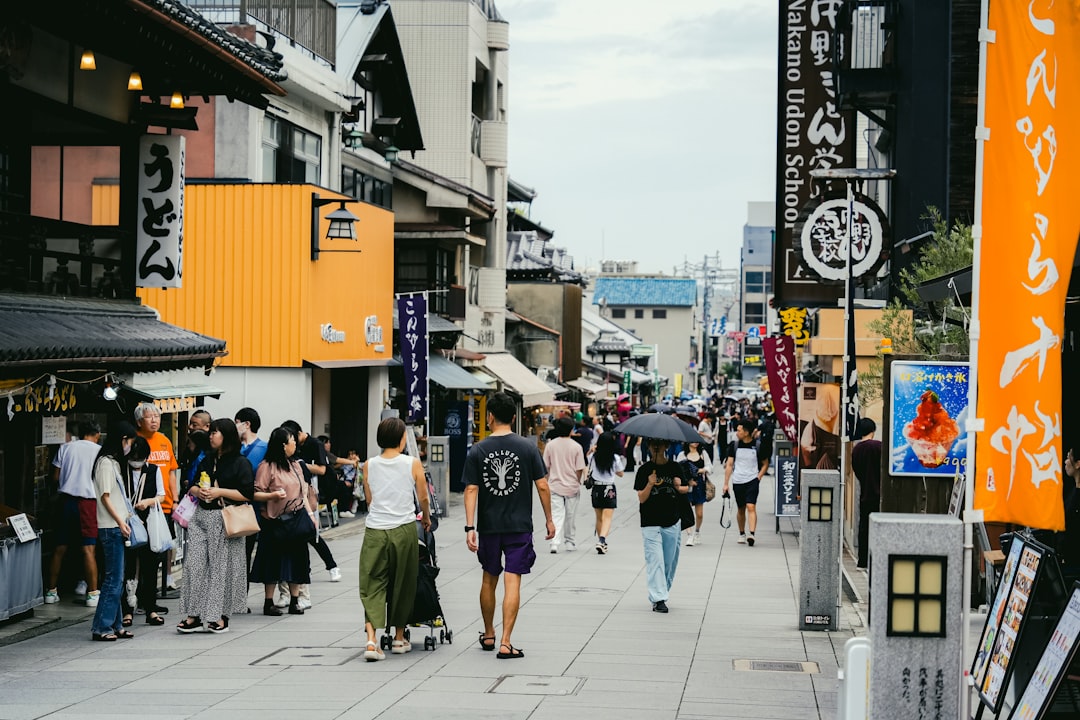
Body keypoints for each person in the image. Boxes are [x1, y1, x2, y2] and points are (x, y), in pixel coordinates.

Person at [463, 392, 555, 659]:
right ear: (514, 418)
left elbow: (471, 489)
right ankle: (506, 641)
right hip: (519, 526)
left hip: (489, 526)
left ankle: (489, 633)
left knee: (489, 578)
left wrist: (470, 527)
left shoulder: (478, 449)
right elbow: (542, 485)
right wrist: (549, 519)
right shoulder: (528, 448)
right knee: (512, 581)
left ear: (489, 417)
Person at [359, 418, 432, 661]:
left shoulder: (368, 465)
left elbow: (369, 500)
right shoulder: (412, 463)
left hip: (375, 531)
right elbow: (423, 497)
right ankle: (399, 638)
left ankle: (371, 641)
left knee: (372, 584)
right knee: (404, 582)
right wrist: (426, 519)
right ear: (402, 439)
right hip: (403, 529)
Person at [176, 419, 255, 634]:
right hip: (201, 516)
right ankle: (194, 615)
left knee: (221, 570)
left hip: (224, 518)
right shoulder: (207, 459)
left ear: (227, 436)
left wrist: (220, 492)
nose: (210, 436)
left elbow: (247, 494)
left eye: (215, 433)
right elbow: (190, 485)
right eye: (210, 433)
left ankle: (220, 616)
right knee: (194, 566)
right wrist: (197, 491)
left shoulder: (240, 462)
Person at [276, 420, 341, 610]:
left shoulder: (314, 445)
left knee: (313, 537)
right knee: (307, 541)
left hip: (314, 495)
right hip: (293, 504)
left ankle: (331, 567)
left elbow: (322, 468)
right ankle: (288, 592)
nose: (293, 444)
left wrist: (301, 465)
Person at [250, 426, 314, 617]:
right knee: (271, 562)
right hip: (273, 521)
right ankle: (268, 602)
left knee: (297, 561)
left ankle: (295, 600)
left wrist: (310, 514)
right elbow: (255, 492)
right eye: (291, 441)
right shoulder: (267, 466)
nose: (295, 443)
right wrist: (272, 495)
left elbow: (303, 492)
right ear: (283, 445)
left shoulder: (295, 465)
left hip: (295, 520)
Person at [44, 420, 102, 607]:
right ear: (97, 434)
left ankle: (51, 592)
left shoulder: (66, 447)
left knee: (59, 547)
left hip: (66, 501)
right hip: (88, 503)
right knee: (88, 549)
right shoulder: (100, 452)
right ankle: (92, 594)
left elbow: (55, 477)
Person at [89, 423, 138, 641]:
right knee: (113, 579)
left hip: (114, 525)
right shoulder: (106, 464)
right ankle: (102, 627)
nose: (130, 446)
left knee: (116, 579)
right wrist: (120, 521)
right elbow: (105, 497)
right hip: (111, 526)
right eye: (129, 441)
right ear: (123, 439)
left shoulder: (110, 463)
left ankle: (115, 625)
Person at [634, 438, 689, 613]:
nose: (656, 447)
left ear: (666, 446)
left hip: (672, 520)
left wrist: (679, 487)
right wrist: (650, 483)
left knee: (669, 562)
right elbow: (642, 498)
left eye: (660, 444)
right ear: (649, 447)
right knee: (655, 560)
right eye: (652, 444)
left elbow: (687, 488)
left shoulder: (675, 468)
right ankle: (658, 598)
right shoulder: (644, 470)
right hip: (650, 522)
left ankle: (662, 590)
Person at [120, 435, 167, 628]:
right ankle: (127, 610)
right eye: (134, 459)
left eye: (140, 459)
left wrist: (147, 502)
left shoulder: (153, 470)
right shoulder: (122, 470)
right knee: (128, 567)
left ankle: (150, 609)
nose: (137, 463)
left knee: (150, 566)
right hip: (127, 523)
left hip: (148, 522)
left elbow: (161, 496)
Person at [134, 403, 180, 593]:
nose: (154, 420)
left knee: (165, 541)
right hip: (143, 503)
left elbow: (170, 472)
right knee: (141, 545)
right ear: (139, 421)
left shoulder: (164, 440)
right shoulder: (136, 441)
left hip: (165, 502)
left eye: (157, 416)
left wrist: (175, 499)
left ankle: (167, 576)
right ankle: (136, 582)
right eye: (149, 417)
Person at [723, 419, 770, 547]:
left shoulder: (758, 445)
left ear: (746, 432)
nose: (737, 432)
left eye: (739, 430)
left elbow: (765, 464)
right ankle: (742, 533)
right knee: (741, 508)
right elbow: (729, 464)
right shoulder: (734, 445)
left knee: (751, 506)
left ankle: (752, 534)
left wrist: (758, 477)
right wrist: (726, 483)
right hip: (738, 480)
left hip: (752, 480)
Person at [543, 416, 587, 554]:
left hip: (554, 485)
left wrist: (546, 480)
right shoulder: (576, 447)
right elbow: (580, 468)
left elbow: (545, 467)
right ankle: (569, 541)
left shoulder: (550, 445)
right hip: (571, 486)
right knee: (570, 515)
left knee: (557, 514)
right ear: (571, 430)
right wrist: (578, 481)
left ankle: (554, 542)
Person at [851, 418, 881, 568]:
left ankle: (862, 560)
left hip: (865, 494)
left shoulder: (856, 450)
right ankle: (877, 559)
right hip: (880, 495)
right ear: (873, 431)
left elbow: (857, 472)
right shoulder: (880, 447)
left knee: (864, 527)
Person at [589, 432, 625, 554]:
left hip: (596, 489)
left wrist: (591, 450)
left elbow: (587, 463)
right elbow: (621, 473)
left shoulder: (593, 456)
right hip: (609, 489)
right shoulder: (615, 458)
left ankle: (601, 542)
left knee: (599, 518)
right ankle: (602, 540)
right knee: (607, 518)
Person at [677, 441, 712, 546]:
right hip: (687, 485)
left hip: (699, 485)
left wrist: (701, 470)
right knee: (686, 511)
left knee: (699, 514)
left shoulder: (703, 453)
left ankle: (697, 531)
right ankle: (689, 535)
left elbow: (710, 467)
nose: (695, 443)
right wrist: (687, 480)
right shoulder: (682, 454)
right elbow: (678, 469)